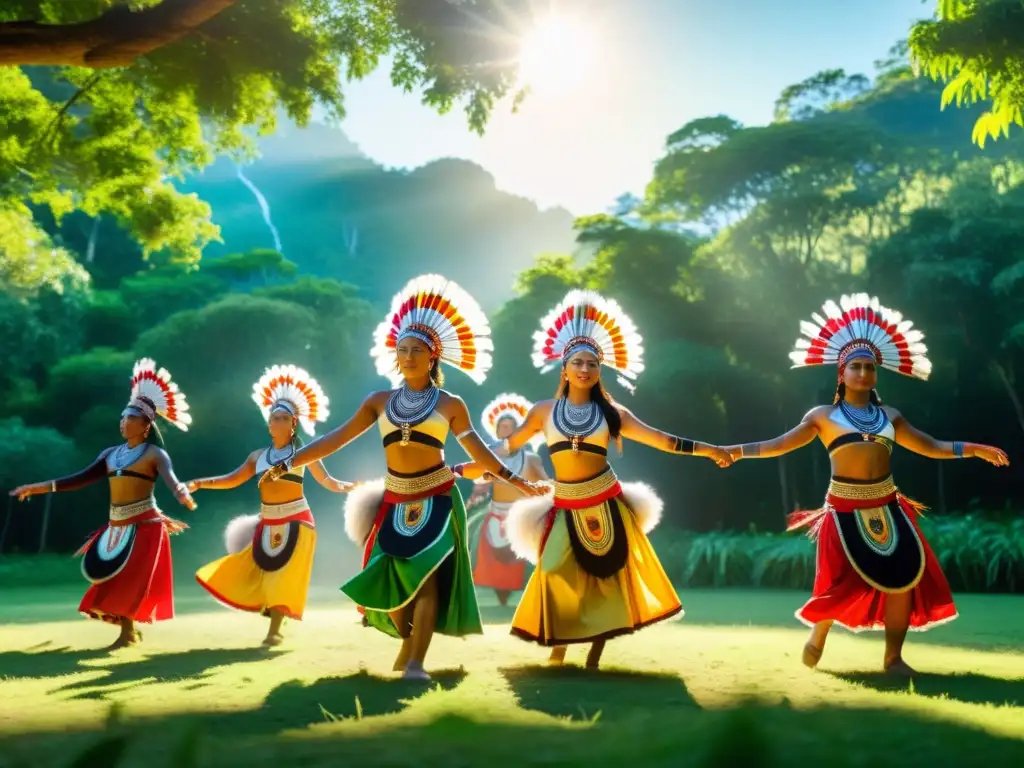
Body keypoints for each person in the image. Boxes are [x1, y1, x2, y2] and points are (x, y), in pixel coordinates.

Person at [259, 274, 546, 680]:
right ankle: (410, 643)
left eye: (417, 350)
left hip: (438, 501)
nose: (408, 355)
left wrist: (521, 484)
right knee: (393, 588)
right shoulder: (378, 402)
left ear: (434, 357)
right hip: (393, 502)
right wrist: (289, 462)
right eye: (402, 349)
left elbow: (480, 452)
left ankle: (416, 663)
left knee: (427, 581)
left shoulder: (450, 404)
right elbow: (334, 439)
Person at [723, 293, 1010, 676]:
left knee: (903, 579)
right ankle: (819, 632)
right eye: (855, 366)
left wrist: (973, 449)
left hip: (889, 506)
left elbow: (931, 447)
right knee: (839, 581)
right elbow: (778, 445)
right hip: (842, 510)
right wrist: (732, 451)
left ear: (877, 374)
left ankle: (893, 659)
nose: (863, 373)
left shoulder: (891, 415)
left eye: (869, 367)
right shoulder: (822, 416)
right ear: (841, 373)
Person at [494, 289, 733, 669]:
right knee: (554, 571)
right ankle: (558, 651)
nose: (585, 369)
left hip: (606, 502)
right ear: (565, 368)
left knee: (608, 582)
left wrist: (709, 449)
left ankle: (593, 656)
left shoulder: (613, 413)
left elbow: (664, 440)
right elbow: (507, 446)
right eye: (578, 362)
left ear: (599, 369)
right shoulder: (542, 412)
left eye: (592, 363)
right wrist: (467, 446)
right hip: (565, 503)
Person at [9, 358, 196, 650]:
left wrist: (182, 494)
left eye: (131, 418)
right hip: (117, 525)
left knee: (131, 581)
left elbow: (172, 480)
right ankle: (129, 632)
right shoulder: (111, 454)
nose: (123, 422)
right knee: (112, 580)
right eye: (122, 417)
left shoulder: (154, 455)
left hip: (146, 526)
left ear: (146, 426)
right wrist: (38, 488)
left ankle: (127, 634)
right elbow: (80, 478)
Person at [188, 365, 354, 647]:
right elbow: (232, 480)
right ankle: (274, 614)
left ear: (293, 424)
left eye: (282, 418)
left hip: (298, 523)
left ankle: (274, 630)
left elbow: (327, 480)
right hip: (267, 522)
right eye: (273, 418)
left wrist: (346, 487)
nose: (276, 423)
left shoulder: (304, 454)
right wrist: (201, 483)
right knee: (251, 572)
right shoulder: (257, 457)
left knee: (282, 577)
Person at [465, 393, 549, 607]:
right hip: (495, 512)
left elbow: (545, 483)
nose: (508, 431)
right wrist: (476, 495)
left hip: (523, 515)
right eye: (503, 427)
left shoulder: (531, 458)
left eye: (512, 427)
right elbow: (480, 483)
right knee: (477, 538)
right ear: (497, 430)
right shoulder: (490, 456)